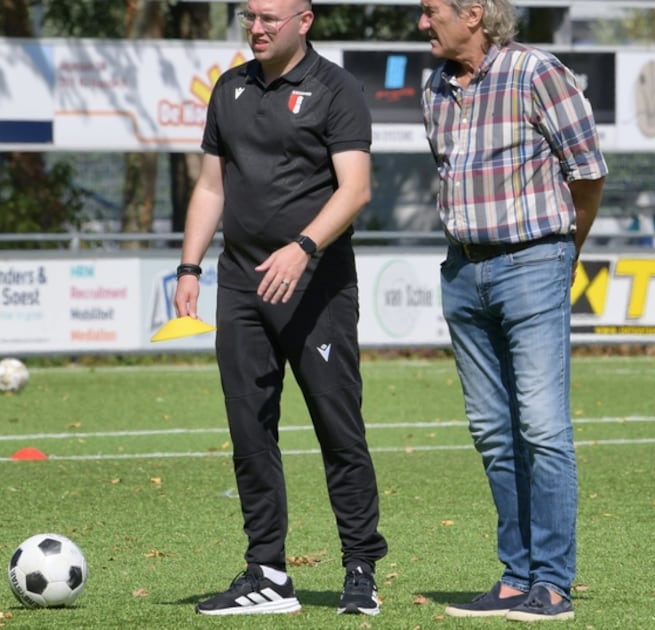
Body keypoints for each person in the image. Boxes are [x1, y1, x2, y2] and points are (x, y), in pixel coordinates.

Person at [172, 0, 387, 617]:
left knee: (337, 427)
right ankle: (267, 573)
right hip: (239, 285)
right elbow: (212, 186)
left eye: (270, 18)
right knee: (249, 429)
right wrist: (189, 267)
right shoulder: (229, 88)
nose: (258, 28)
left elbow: (356, 188)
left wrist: (303, 247)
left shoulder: (335, 88)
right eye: (249, 17)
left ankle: (360, 567)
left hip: (315, 286)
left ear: (304, 20)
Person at [418, 0, 607, 622]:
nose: (424, 23)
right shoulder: (434, 88)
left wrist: (560, 253)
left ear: (473, 13)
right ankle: (515, 576)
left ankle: (552, 584)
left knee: (544, 430)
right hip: (461, 270)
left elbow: (588, 172)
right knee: (494, 434)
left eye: (432, 11)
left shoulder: (536, 73)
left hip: (533, 263)